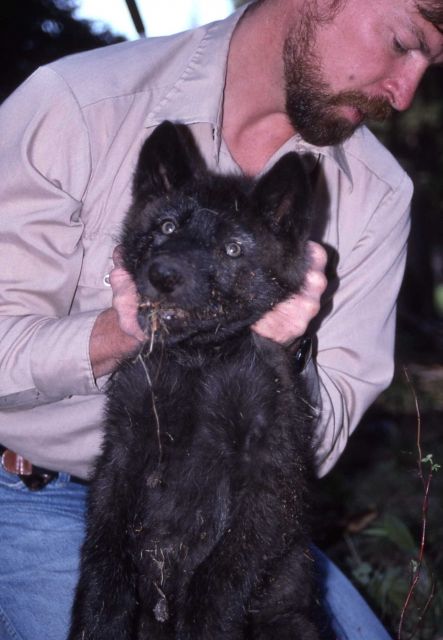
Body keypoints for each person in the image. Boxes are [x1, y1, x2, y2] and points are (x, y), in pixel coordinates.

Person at [0, 0, 442, 637]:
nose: (405, 94)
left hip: (229, 514)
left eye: (431, 63)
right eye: (404, 42)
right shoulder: (79, 104)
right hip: (29, 491)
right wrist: (116, 332)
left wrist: (280, 357)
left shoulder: (375, 193)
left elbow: (322, 434)